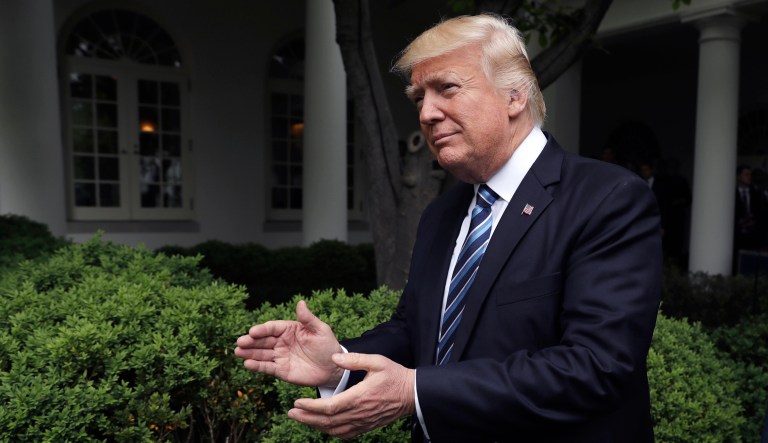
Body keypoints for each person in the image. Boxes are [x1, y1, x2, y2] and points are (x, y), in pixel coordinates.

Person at [235, 14, 662, 442]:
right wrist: (341, 362)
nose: (427, 112)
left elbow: (595, 367)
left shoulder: (607, 199)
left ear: (515, 96)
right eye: (418, 96)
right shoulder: (443, 212)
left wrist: (414, 391)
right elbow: (415, 329)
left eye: (447, 88)